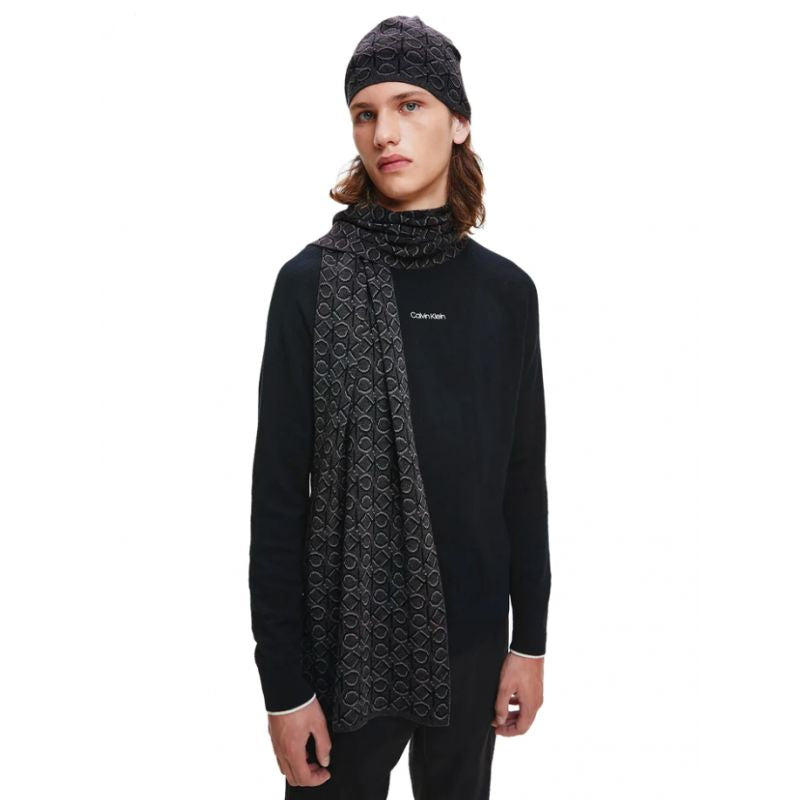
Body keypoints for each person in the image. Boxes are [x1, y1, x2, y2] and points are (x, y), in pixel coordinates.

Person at [249, 15, 551, 800]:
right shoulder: (309, 286)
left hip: (474, 643)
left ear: (459, 121)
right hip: (343, 647)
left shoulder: (507, 294)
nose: (383, 132)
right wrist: (283, 687)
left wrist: (530, 641)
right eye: (365, 112)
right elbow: (277, 499)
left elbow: (522, 479)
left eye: (409, 105)